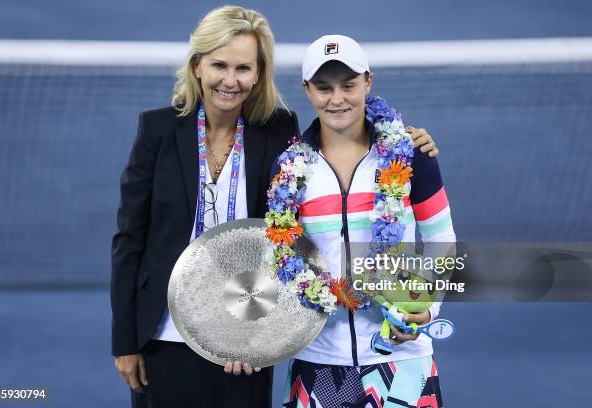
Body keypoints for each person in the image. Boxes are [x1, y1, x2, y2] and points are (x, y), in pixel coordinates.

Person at [110, 6, 439, 408]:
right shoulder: (157, 130)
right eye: (219, 65)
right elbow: (129, 239)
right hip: (165, 333)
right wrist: (125, 342)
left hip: (249, 328)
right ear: (197, 66)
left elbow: (288, 239)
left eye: (244, 68)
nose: (230, 80)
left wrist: (407, 140)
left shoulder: (278, 131)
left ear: (258, 74)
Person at [278, 35, 456, 408]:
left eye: (349, 85)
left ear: (368, 81)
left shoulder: (411, 156)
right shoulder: (289, 173)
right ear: (307, 90)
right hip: (319, 363)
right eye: (324, 88)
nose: (337, 99)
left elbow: (442, 240)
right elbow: (281, 255)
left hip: (404, 361)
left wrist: (427, 307)